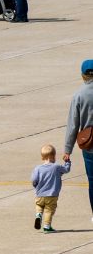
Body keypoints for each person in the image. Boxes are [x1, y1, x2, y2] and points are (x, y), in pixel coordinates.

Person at [63, 60, 93, 223]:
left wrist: (67, 149)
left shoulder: (79, 95)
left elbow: (73, 124)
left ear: (83, 75)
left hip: (90, 145)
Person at [33, 144, 71, 232]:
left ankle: (38, 215)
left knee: (39, 205)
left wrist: (36, 186)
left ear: (42, 157)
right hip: (52, 194)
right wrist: (67, 162)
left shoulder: (38, 168)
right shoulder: (57, 167)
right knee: (49, 210)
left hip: (39, 194)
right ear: (54, 156)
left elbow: (34, 180)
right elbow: (66, 169)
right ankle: (47, 226)